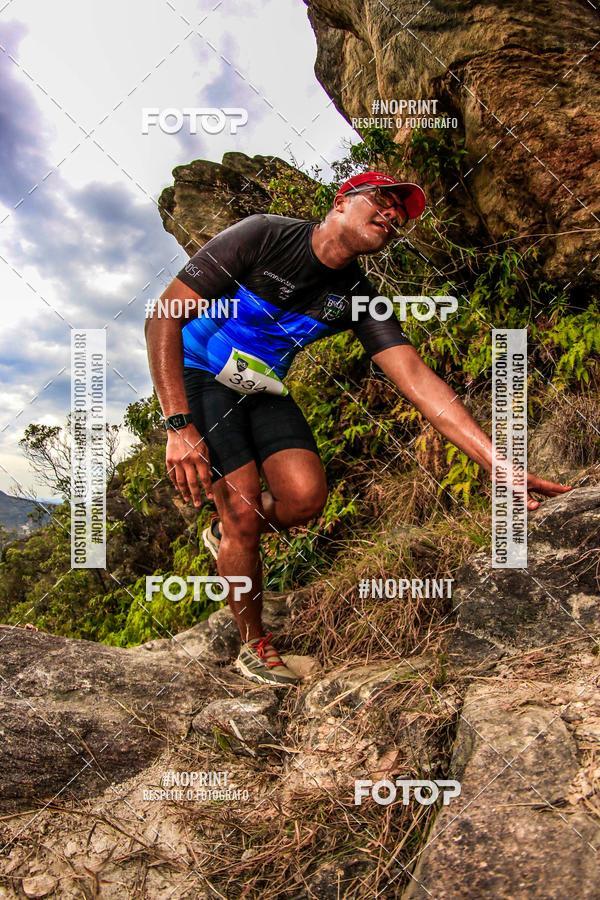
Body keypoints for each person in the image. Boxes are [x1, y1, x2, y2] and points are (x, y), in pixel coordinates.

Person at [144, 171, 571, 686]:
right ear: (341, 201)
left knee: (304, 499)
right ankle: (254, 645)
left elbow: (416, 379)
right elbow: (163, 316)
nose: (393, 215)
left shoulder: (360, 297)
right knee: (242, 512)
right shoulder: (262, 235)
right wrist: (177, 425)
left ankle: (232, 535)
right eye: (383, 201)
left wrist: (498, 465)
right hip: (196, 373)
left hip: (259, 384)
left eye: (401, 214)